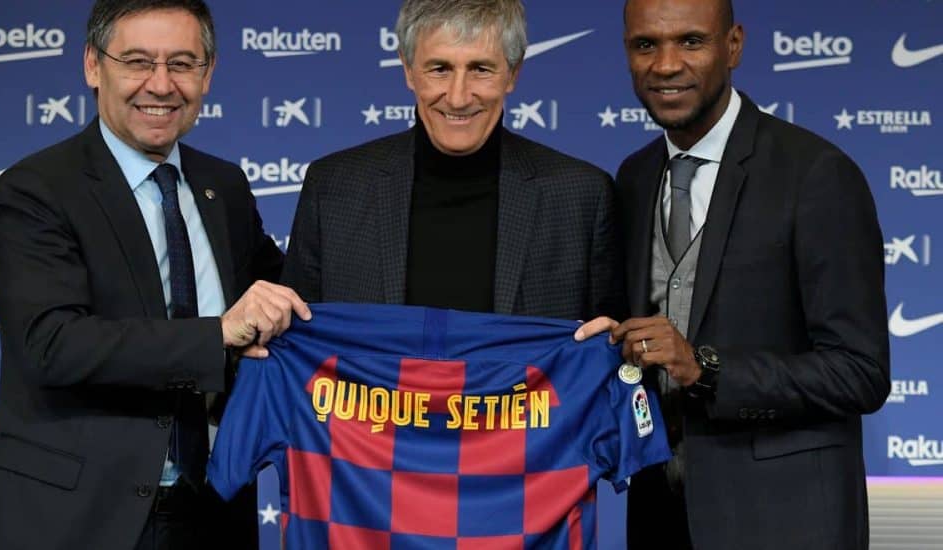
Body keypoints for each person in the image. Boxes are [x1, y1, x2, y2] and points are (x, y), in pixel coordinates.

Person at [0, 1, 309, 549]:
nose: (161, 85)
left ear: (208, 74)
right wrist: (217, 334)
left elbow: (296, 301)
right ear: (93, 66)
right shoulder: (36, 189)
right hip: (73, 521)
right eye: (138, 62)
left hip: (211, 515)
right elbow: (52, 344)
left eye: (182, 64)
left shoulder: (224, 187)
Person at [575, 0, 890, 548]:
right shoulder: (634, 177)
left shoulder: (817, 174)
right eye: (646, 45)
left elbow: (860, 372)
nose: (665, 64)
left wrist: (706, 369)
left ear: (734, 45)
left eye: (690, 41)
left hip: (787, 522)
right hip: (659, 517)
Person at [281, 0, 624, 322]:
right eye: (440, 69)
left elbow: (611, 346)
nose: (458, 97)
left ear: (513, 73)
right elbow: (296, 343)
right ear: (408, 70)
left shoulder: (582, 197)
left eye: (481, 69)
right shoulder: (333, 188)